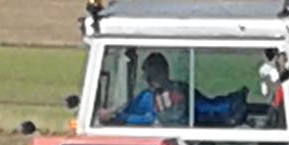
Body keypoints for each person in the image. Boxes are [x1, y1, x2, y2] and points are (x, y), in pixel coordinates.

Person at [98, 52, 245, 127]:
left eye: (154, 72)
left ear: (163, 71)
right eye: (147, 73)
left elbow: (205, 107)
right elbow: (129, 113)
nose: (147, 78)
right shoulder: (146, 97)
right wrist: (114, 115)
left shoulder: (180, 91)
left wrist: (233, 103)